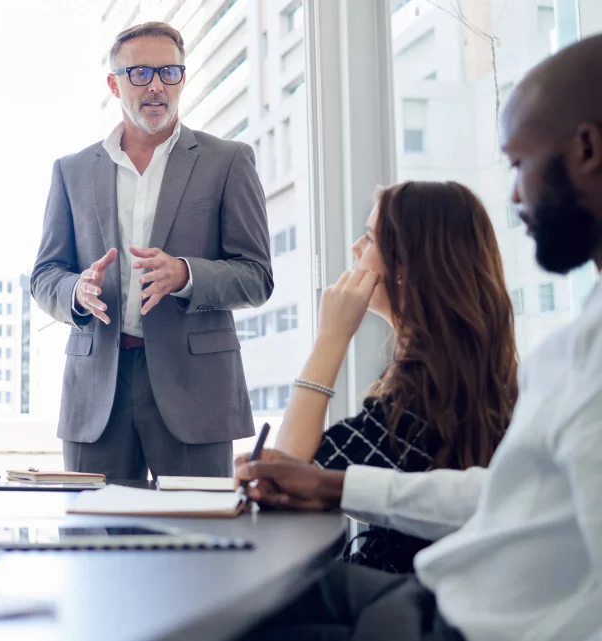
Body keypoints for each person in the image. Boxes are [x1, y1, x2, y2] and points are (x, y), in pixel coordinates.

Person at [234, 33, 602, 641]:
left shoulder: (573, 360)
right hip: (437, 592)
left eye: (518, 163)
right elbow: (503, 495)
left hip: (460, 621)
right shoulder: (571, 343)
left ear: (586, 149)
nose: (514, 194)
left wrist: (330, 340)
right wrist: (338, 485)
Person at [31, 22, 273, 480]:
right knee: (94, 545)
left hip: (194, 389)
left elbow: (257, 276)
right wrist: (76, 290)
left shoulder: (228, 161)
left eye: (169, 72)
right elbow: (45, 275)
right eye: (139, 73)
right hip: (96, 389)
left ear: (183, 78)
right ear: (114, 83)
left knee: (195, 545)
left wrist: (185, 274)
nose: (156, 85)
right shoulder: (72, 171)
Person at [240, 181, 517, 573]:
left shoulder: (420, 395)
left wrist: (331, 338)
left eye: (369, 239)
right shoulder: (473, 370)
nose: (355, 248)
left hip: (393, 598)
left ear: (403, 270)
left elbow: (287, 475)